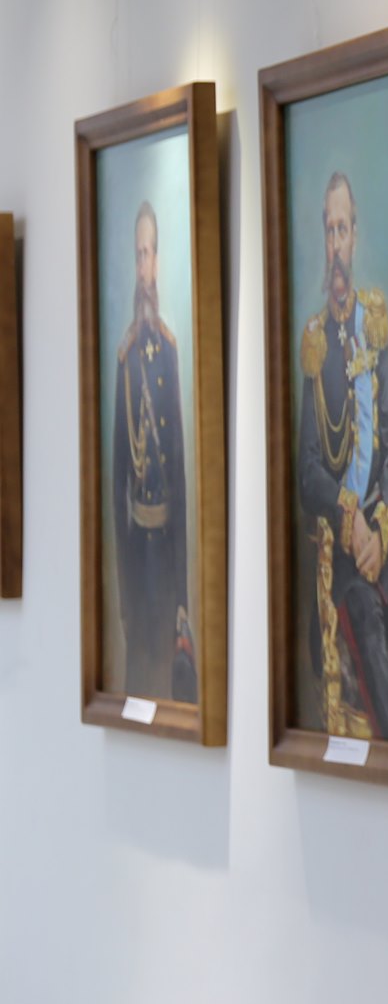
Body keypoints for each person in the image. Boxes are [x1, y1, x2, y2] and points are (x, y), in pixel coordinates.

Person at [297, 172, 388, 743]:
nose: (336, 245)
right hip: (345, 557)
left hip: (385, 535)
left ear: (356, 236)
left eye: (343, 230)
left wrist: (382, 520)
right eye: (328, 232)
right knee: (372, 649)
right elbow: (308, 470)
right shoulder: (315, 344)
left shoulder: (375, 326)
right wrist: (348, 520)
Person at [110, 200, 190, 702]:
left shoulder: (170, 352)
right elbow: (118, 479)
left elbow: (178, 475)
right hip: (138, 550)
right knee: (137, 678)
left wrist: (183, 592)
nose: (143, 265)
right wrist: (122, 590)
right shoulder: (125, 359)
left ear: (158, 261)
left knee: (166, 680)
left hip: (164, 551)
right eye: (137, 254)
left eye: (149, 253)